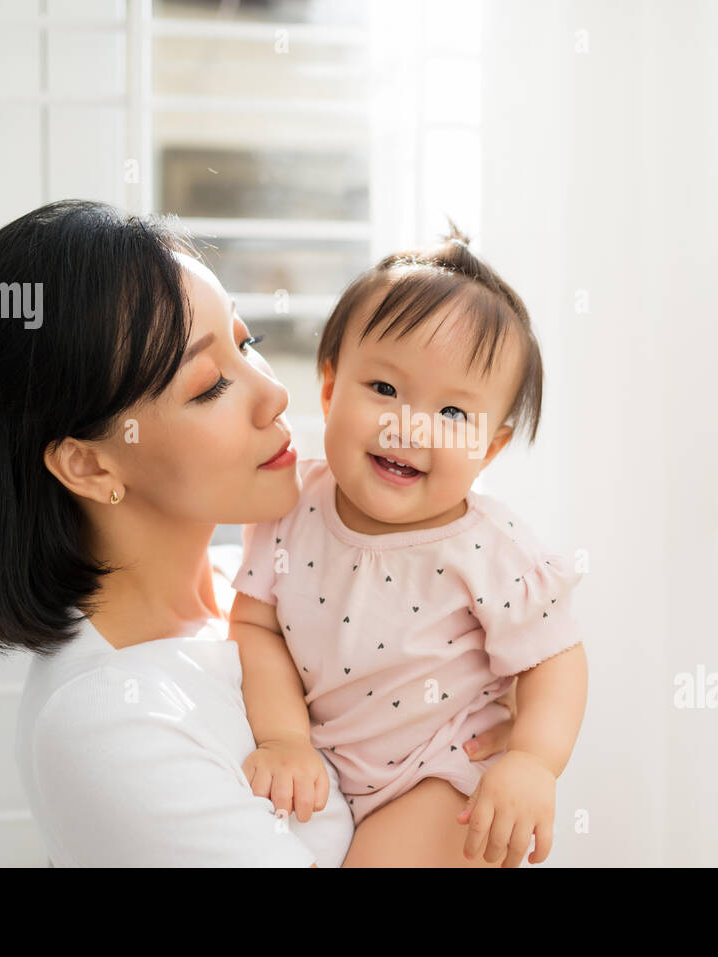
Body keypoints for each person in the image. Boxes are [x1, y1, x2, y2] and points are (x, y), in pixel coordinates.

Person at [0, 199, 518, 866]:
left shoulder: (262, 582)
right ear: (91, 462)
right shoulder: (112, 719)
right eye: (209, 386)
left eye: (247, 344)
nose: (273, 395)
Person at [230, 228, 588, 867]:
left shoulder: (489, 548)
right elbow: (256, 626)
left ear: (491, 450)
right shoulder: (291, 507)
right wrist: (285, 738)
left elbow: (553, 660)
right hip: (332, 771)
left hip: (443, 774)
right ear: (332, 389)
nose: (408, 425)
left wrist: (534, 760)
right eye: (385, 390)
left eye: (453, 413)